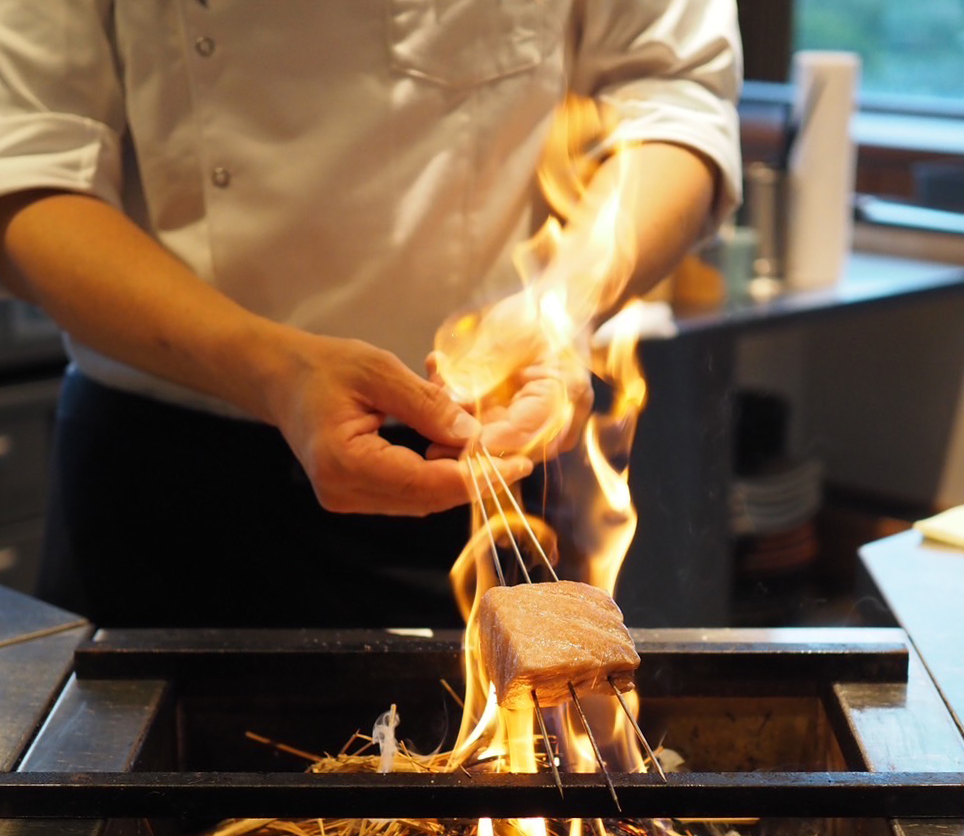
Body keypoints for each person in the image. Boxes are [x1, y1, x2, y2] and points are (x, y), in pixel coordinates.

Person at [0, 1, 742, 628]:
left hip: (468, 469)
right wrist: (270, 371)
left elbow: (673, 97)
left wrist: (559, 306)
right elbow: (25, 167)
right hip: (156, 491)